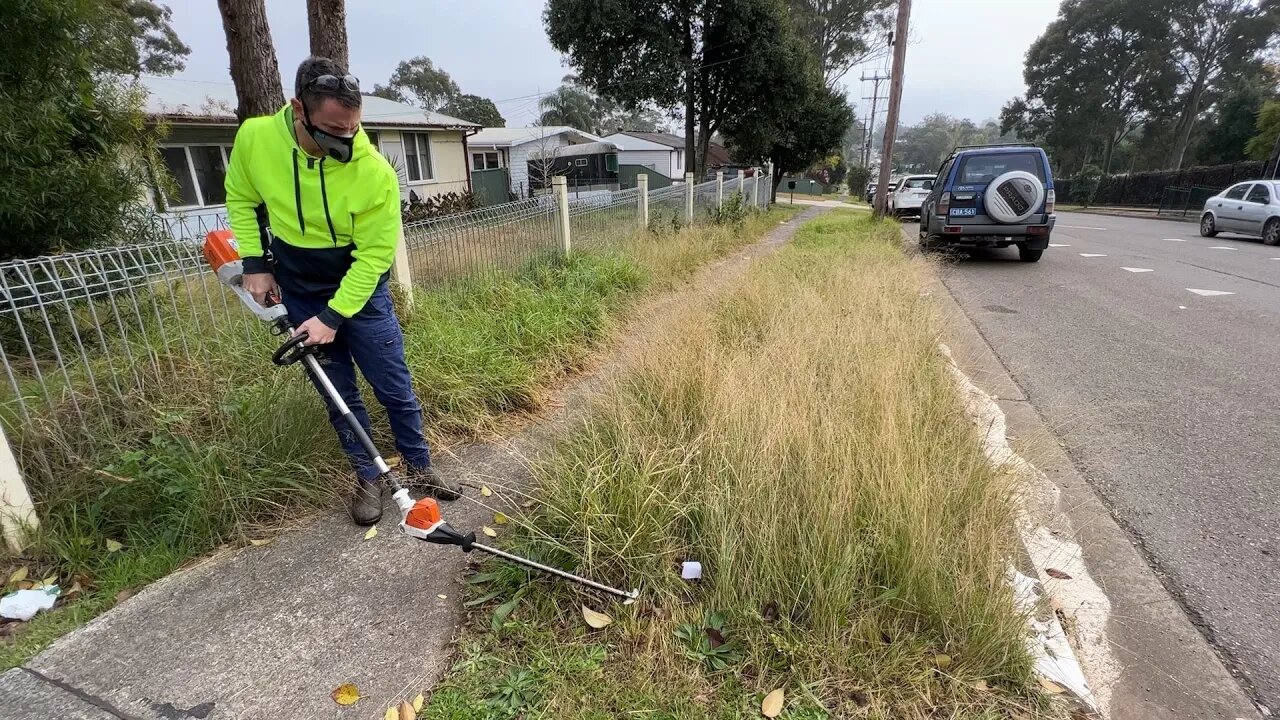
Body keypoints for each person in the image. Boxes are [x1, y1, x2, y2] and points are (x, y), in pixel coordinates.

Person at [224, 56, 460, 526]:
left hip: (361, 288)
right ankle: (368, 474)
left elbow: (374, 257)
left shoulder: (373, 171)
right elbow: (242, 197)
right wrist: (255, 264)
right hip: (298, 286)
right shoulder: (255, 138)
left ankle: (419, 465)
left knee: (393, 384)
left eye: (354, 129)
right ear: (299, 111)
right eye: (334, 129)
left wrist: (333, 318)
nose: (347, 141)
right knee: (338, 393)